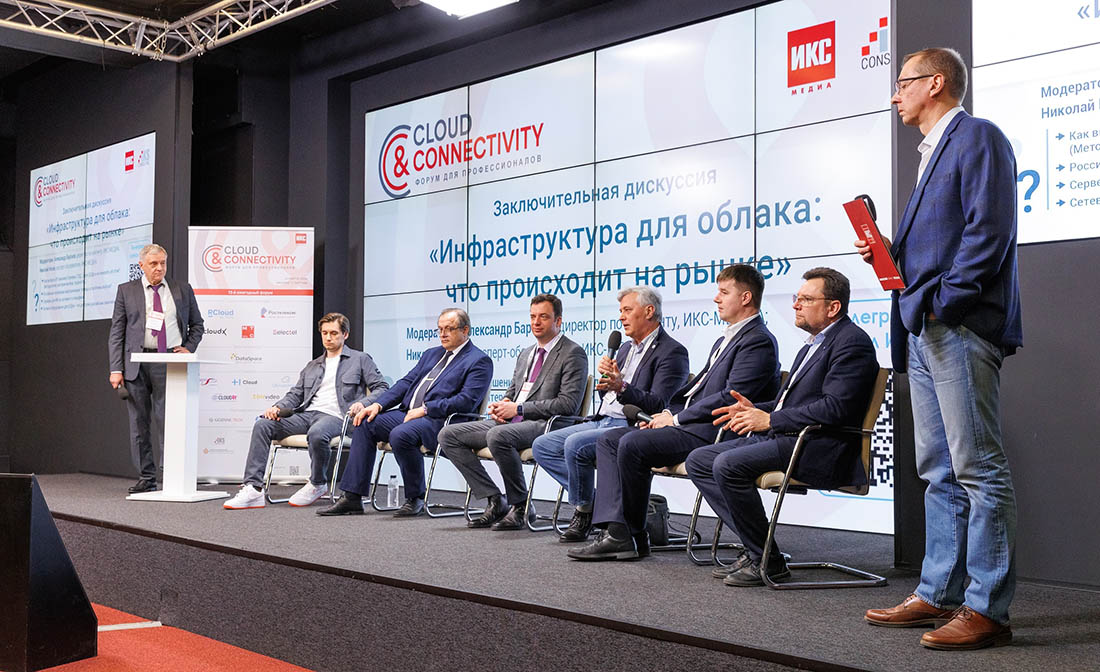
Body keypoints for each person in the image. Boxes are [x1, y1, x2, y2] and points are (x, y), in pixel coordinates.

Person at [858, 47, 1021, 650]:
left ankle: (987, 609)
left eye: (902, 83)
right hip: (923, 329)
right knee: (940, 470)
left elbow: (989, 230)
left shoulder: (978, 137)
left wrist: (944, 303)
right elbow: (940, 242)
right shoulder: (931, 154)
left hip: (957, 325)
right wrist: (887, 254)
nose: (894, 95)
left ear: (935, 83)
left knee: (978, 468)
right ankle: (937, 593)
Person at [568, 264, 781, 560]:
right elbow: (693, 391)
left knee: (630, 443)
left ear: (745, 298)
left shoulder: (757, 340)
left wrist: (676, 419)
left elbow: (728, 397)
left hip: (716, 430)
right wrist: (662, 416)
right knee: (611, 440)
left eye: (723, 292)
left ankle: (627, 535)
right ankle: (624, 534)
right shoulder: (725, 340)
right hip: (694, 425)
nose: (716, 298)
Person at [686, 268, 879, 586]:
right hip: (788, 437)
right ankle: (759, 550)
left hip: (819, 446)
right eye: (796, 298)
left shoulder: (851, 343)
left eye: (806, 299)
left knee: (727, 464)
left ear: (833, 307)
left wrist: (771, 420)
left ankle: (765, 558)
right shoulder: (811, 345)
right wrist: (757, 410)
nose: (795, 305)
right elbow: (789, 404)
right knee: (700, 460)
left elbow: (836, 408)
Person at [531, 287, 689, 542]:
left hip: (630, 425)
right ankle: (595, 503)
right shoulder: (625, 349)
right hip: (601, 419)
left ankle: (584, 511)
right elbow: (610, 395)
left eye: (627, 310)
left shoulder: (672, 352)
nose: (621, 317)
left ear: (649, 311)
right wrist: (607, 384)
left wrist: (621, 387)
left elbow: (659, 404)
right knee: (542, 446)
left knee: (574, 445)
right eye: (620, 311)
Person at [317, 308, 492, 517]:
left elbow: (466, 401)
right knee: (364, 422)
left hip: (441, 420)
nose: (443, 334)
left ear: (465, 330)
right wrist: (378, 405)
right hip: (408, 413)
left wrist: (426, 409)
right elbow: (405, 383)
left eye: (449, 329)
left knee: (401, 434)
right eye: (440, 329)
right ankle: (352, 497)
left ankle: (415, 497)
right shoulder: (432, 354)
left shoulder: (478, 360)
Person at [439, 294, 588, 531]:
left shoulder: (572, 353)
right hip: (513, 422)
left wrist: (518, 408)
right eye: (533, 317)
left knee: (498, 436)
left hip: (548, 424)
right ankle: (495, 499)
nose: (536, 322)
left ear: (558, 321)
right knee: (448, 435)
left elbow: (567, 404)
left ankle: (520, 505)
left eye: (543, 317)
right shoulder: (526, 353)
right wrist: (503, 405)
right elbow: (514, 391)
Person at [223, 313, 389, 509]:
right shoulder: (313, 365)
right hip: (307, 415)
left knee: (317, 432)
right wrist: (278, 407)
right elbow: (295, 394)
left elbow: (382, 387)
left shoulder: (360, 359)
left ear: (345, 334)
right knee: (263, 425)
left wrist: (364, 403)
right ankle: (253, 488)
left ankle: (318, 483)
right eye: (325, 333)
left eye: (334, 333)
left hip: (339, 417)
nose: (328, 338)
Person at [108, 243, 204, 494]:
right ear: (141, 265)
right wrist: (116, 368)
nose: (159, 268)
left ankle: (171, 474)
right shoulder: (126, 291)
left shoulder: (182, 289)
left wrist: (188, 348)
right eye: (153, 264)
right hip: (136, 364)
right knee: (139, 424)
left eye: (162, 263)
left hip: (169, 361)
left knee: (169, 421)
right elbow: (117, 332)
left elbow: (197, 325)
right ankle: (146, 477)